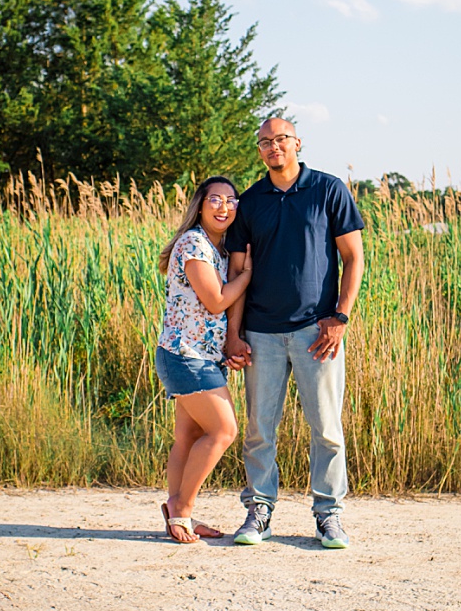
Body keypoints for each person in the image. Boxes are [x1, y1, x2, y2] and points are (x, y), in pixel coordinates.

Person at [223, 117, 365, 549]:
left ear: (297, 143)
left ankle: (329, 516)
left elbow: (354, 258)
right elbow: (237, 271)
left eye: (280, 139)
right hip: (261, 332)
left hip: (315, 331)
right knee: (259, 429)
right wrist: (234, 333)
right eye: (265, 142)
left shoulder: (327, 189)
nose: (273, 147)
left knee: (325, 427)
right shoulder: (250, 203)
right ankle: (259, 512)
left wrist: (339, 317)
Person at [154, 176, 252, 543]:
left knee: (188, 436)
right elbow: (215, 300)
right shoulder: (194, 243)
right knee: (224, 430)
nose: (224, 207)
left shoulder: (220, 248)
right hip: (185, 355)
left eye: (231, 200)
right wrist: (246, 275)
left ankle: (178, 511)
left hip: (199, 356)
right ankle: (182, 510)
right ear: (200, 204)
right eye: (215, 199)